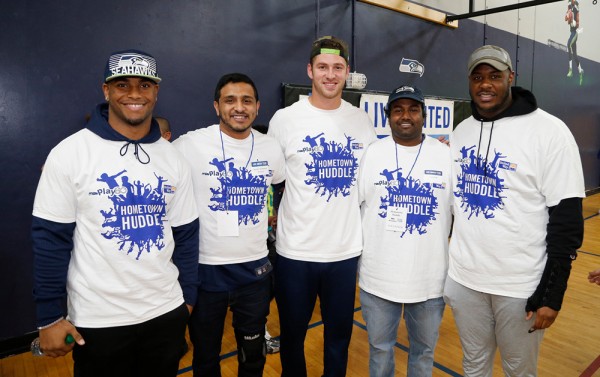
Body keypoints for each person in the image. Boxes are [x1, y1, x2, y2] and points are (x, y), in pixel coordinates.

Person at [32, 49, 200, 376]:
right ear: (106, 90)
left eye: (144, 85)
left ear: (156, 91)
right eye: (122, 85)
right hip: (99, 320)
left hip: (165, 313)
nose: (134, 94)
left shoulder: (173, 158)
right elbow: (50, 240)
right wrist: (50, 316)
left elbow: (187, 233)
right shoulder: (69, 154)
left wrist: (187, 298)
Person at [443, 45, 585, 376]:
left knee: (518, 371)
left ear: (511, 77)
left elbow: (566, 221)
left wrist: (553, 293)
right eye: (478, 77)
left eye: (494, 76)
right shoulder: (461, 132)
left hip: (520, 287)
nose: (485, 84)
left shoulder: (550, 132)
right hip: (465, 281)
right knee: (473, 365)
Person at [268, 36, 377, 377]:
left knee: (338, 341)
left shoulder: (361, 121)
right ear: (310, 70)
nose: (330, 75)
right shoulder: (285, 119)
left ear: (347, 73)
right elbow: (272, 181)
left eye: (338, 68)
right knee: (293, 340)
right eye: (323, 67)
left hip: (344, 254)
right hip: (295, 253)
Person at [173, 73, 285, 377]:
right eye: (230, 100)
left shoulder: (270, 148)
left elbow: (280, 185)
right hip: (206, 270)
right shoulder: (189, 144)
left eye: (247, 100)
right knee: (206, 357)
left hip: (255, 270)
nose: (239, 107)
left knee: (252, 356)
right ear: (216, 106)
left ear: (258, 107)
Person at [358, 85, 452, 377]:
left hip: (429, 279)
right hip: (378, 277)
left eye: (413, 109)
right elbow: (353, 209)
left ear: (424, 115)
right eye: (398, 110)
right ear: (388, 116)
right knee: (381, 349)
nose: (406, 116)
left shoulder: (447, 156)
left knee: (423, 353)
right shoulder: (372, 154)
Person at [565, 0, 583, 85]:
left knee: (568, 44)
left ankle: (570, 70)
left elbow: (578, 23)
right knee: (575, 55)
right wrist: (568, 18)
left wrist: (575, 23)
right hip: (571, 32)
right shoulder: (569, 5)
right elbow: (566, 19)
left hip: (575, 32)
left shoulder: (576, 6)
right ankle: (580, 71)